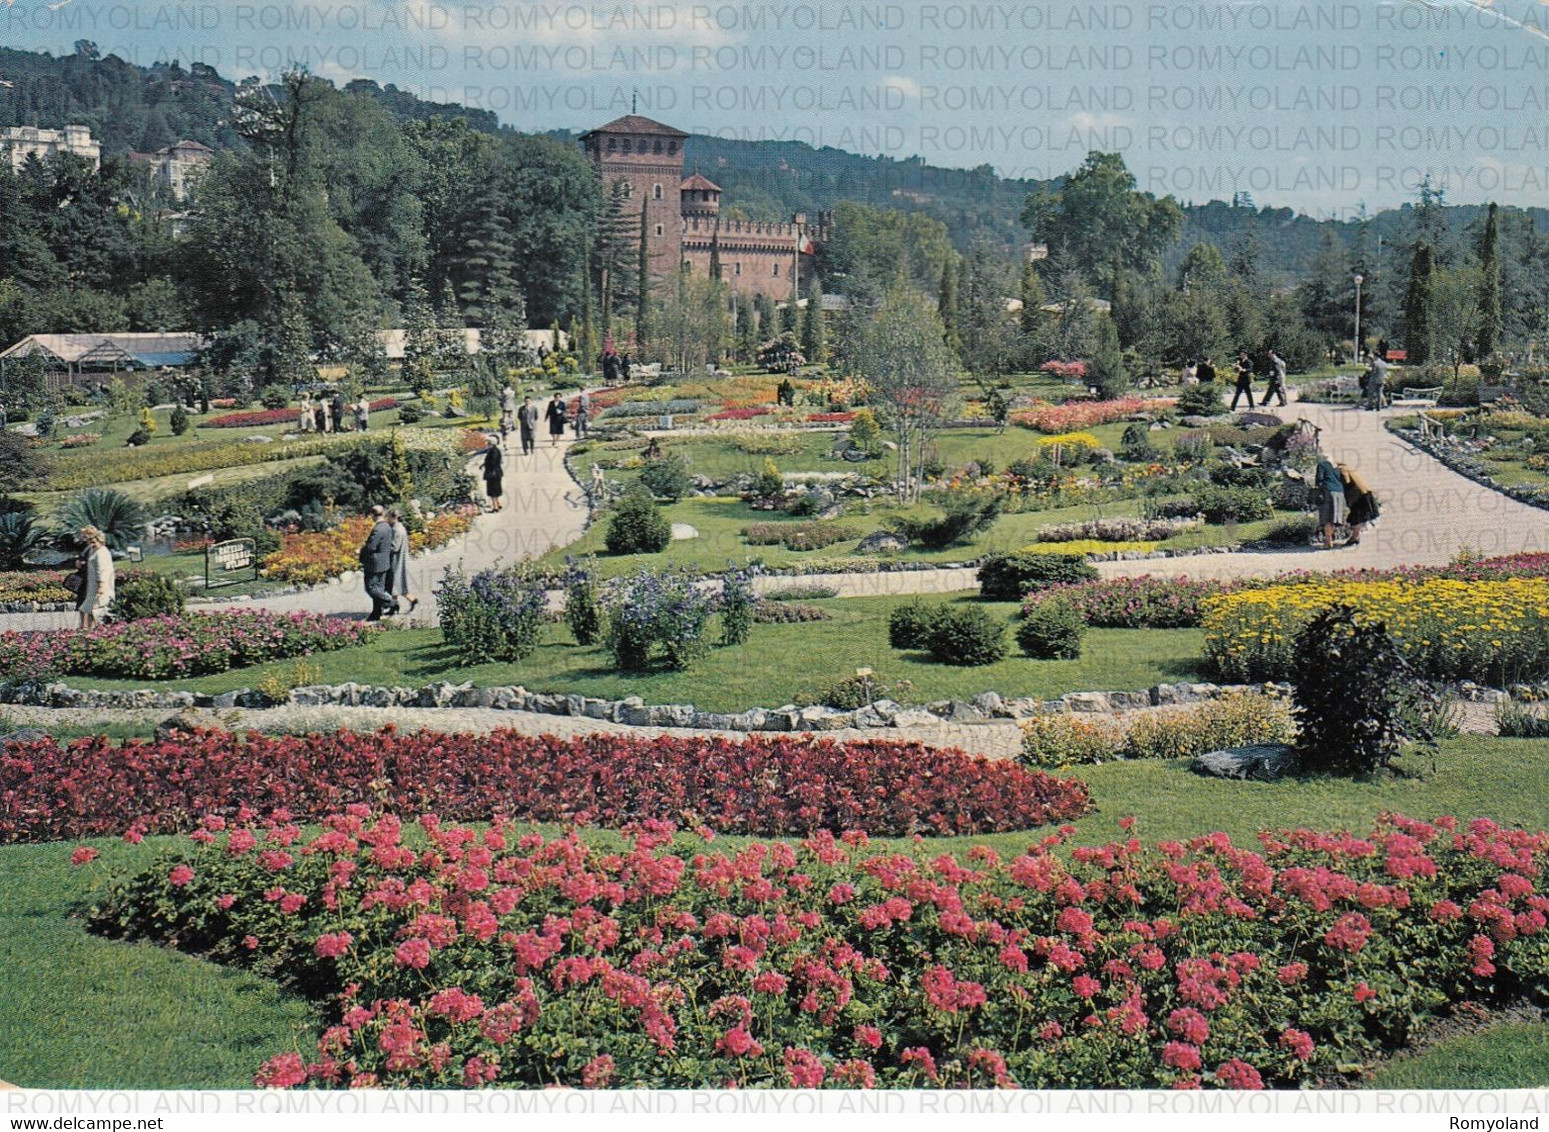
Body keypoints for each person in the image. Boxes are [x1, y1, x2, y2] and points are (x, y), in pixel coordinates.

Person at [359, 505, 396, 620]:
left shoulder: (378, 529)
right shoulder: (387, 527)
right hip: (384, 562)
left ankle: (391, 602)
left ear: (373, 515)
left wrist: (361, 551)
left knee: (371, 588)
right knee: (379, 588)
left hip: (375, 564)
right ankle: (376, 613)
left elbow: (371, 547)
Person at [76, 526, 114, 630]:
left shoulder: (101, 552)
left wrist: (101, 586)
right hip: (92, 585)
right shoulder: (94, 550)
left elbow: (101, 570)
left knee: (92, 609)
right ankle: (89, 630)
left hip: (99, 586)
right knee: (87, 609)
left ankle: (91, 630)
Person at [1337, 462, 1380, 546]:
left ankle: (1355, 538)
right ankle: (1355, 537)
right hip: (1364, 492)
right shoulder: (1349, 468)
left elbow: (1346, 480)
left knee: (1355, 517)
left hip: (1358, 495)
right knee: (1357, 517)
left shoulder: (1342, 469)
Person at [387, 506, 417, 614]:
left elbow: (395, 547)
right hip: (397, 560)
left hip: (397, 561)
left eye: (388, 517)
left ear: (393, 517)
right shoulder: (397, 528)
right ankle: (393, 606)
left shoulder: (397, 530)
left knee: (396, 584)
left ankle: (412, 600)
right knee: (394, 584)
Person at [1313, 453, 1347, 550]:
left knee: (1327, 518)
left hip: (1328, 492)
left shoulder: (1322, 464)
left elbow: (1319, 479)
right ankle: (1331, 539)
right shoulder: (1337, 466)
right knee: (1335, 518)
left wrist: (1317, 491)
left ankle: (1328, 542)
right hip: (1339, 492)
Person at [482, 439, 504, 512]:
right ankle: (498, 504)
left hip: (492, 474)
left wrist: (485, 464)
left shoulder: (493, 451)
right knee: (496, 489)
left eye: (488, 444)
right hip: (497, 473)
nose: (487, 445)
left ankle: (495, 507)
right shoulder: (496, 450)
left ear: (491, 444)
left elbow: (492, 462)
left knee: (492, 491)